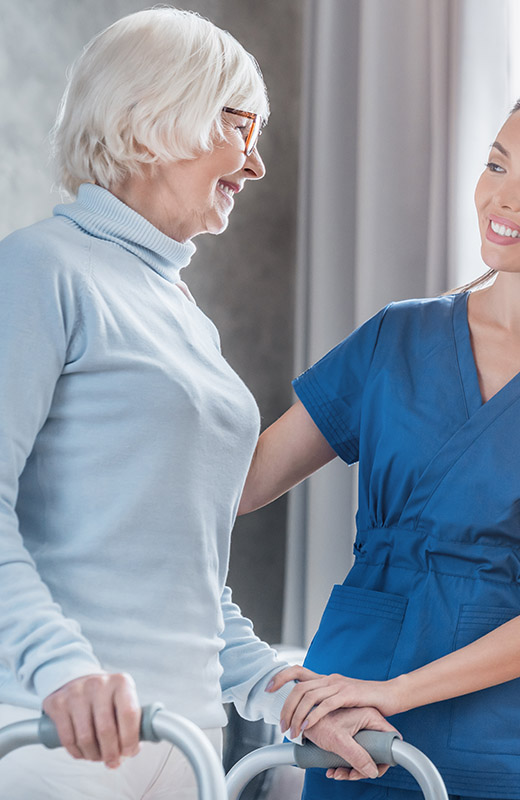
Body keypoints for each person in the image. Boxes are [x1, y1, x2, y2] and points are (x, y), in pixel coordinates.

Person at [237, 79, 520, 798]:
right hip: (355, 725)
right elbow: (245, 482)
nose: (502, 197)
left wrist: (398, 691)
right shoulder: (396, 337)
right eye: (496, 165)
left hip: (519, 732)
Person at [0, 8, 391, 798]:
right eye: (241, 126)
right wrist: (63, 671)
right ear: (155, 114)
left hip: (188, 743)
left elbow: (188, 579)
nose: (255, 166)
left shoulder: (185, 318)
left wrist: (284, 694)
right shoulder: (41, 270)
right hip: (56, 735)